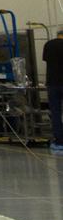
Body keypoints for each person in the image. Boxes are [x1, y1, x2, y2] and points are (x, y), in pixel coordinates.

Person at [43, 28, 63, 156]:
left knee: (55, 113)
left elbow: (46, 60)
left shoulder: (49, 45)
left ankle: (60, 141)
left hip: (53, 83)